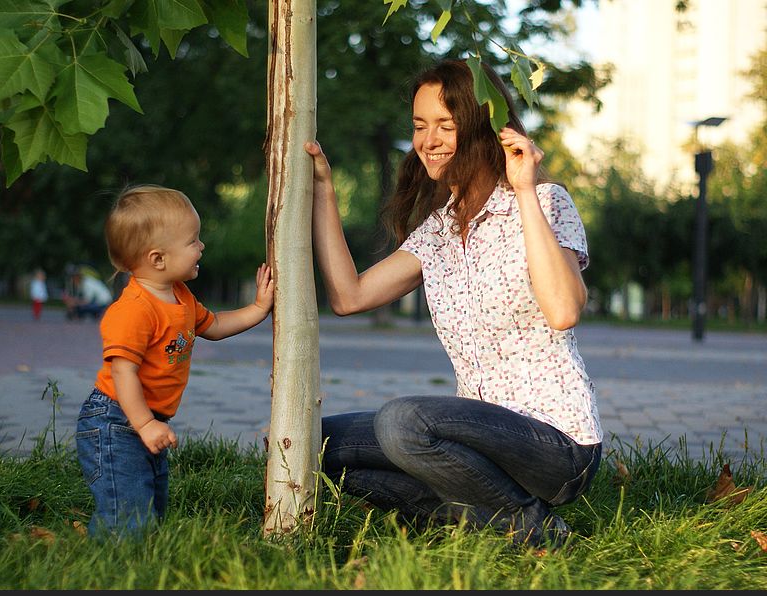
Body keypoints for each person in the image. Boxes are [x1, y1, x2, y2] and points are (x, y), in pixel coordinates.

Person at [305, 59, 602, 547]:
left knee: (403, 421)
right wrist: (323, 190)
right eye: (420, 126)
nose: (429, 140)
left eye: (446, 125)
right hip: (472, 443)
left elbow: (564, 309)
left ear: (484, 128)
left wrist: (524, 189)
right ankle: (472, 516)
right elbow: (348, 296)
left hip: (555, 445)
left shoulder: (546, 202)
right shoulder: (439, 231)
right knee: (313, 443)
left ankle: (532, 525)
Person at [75, 184, 274, 536]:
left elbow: (213, 325)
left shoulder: (180, 296)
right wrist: (145, 425)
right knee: (127, 508)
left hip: (145, 419)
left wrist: (258, 309)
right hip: (115, 420)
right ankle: (114, 568)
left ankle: (144, 556)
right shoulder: (134, 310)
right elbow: (123, 374)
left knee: (152, 501)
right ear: (157, 258)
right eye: (193, 240)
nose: (201, 246)